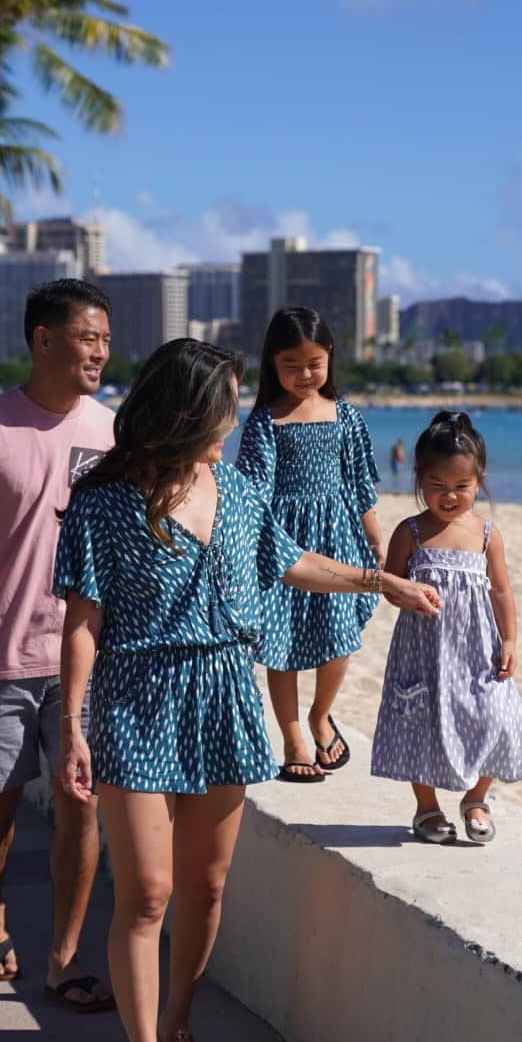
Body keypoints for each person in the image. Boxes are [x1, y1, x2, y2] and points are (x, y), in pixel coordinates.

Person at [54, 338, 439, 1042]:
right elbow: (83, 625)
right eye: (225, 405)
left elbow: (288, 560)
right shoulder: (103, 504)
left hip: (225, 693)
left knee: (208, 885)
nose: (235, 418)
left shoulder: (233, 488)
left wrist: (379, 578)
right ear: (189, 411)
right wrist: (73, 726)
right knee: (149, 893)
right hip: (137, 696)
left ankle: (179, 1019)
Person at [0, 279, 115, 1003]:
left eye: (105, 338)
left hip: (84, 660)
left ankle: (65, 958)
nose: (101, 350)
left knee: (81, 806)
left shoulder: (110, 432)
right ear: (44, 339)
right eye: (88, 337)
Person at [236, 307, 383, 782]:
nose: (304, 374)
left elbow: (360, 484)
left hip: (339, 538)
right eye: (291, 364)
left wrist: (375, 538)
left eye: (314, 363)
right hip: (282, 542)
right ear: (272, 363)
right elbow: (255, 489)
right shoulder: (265, 420)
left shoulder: (346, 417)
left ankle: (321, 714)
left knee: (338, 632)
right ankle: (294, 734)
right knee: (282, 641)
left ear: (330, 359)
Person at [371, 411, 522, 845]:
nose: (449, 497)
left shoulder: (485, 534)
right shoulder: (412, 531)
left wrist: (510, 639)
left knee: (500, 717)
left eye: (461, 487)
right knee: (418, 722)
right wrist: (408, 594)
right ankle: (426, 807)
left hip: (479, 648)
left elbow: (501, 590)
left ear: (479, 480)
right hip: (425, 649)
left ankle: (476, 798)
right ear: (419, 478)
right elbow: (391, 584)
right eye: (437, 487)